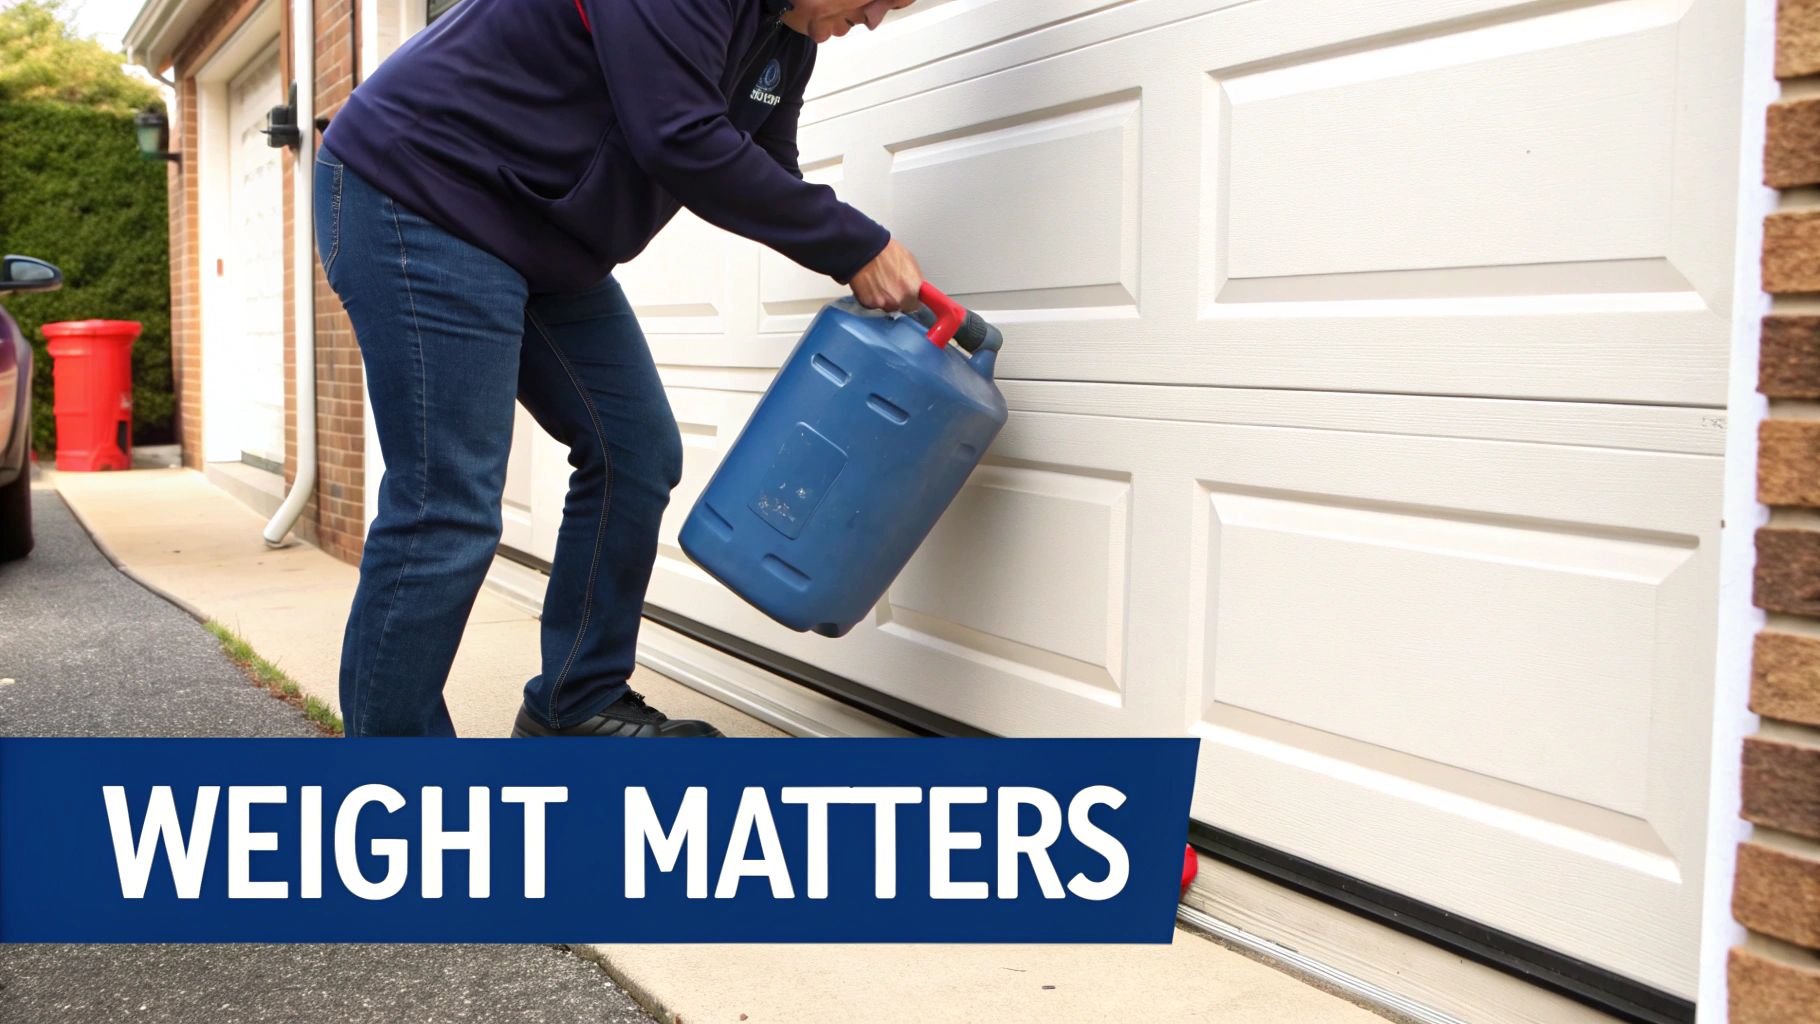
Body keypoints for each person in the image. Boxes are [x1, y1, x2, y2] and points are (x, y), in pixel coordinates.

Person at [315, 0, 922, 738]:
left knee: (635, 452)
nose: (874, 20)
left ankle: (577, 705)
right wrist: (855, 245)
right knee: (449, 498)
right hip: (424, 192)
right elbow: (680, 138)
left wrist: (860, 259)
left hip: (542, 237)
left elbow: (764, 165)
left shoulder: (789, 39)